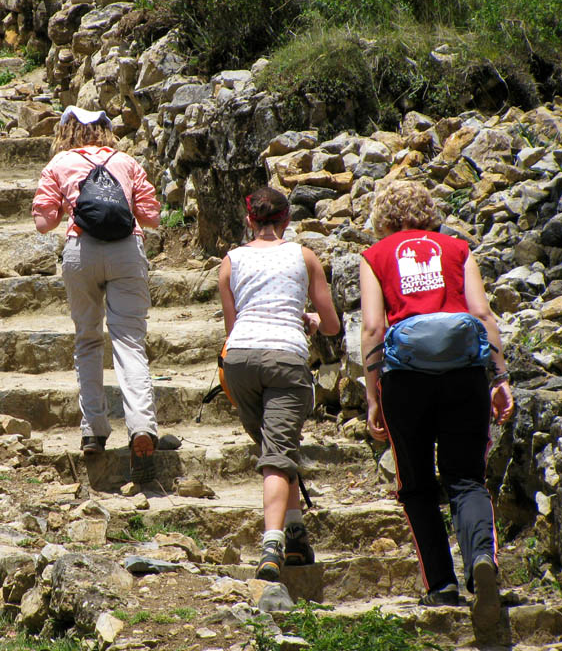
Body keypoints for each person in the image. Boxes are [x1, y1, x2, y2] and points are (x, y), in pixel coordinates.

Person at [359, 180, 514, 637]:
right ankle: (482, 557)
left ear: (385, 216)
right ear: (428, 212)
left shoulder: (376, 254)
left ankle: (442, 585)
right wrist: (500, 377)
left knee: (416, 486)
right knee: (467, 478)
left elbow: (372, 327)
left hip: (404, 380)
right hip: (464, 374)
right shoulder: (457, 248)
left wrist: (373, 394)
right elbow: (483, 315)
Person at [31, 106, 162, 482]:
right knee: (129, 343)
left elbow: (44, 224)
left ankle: (93, 430)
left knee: (88, 340)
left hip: (81, 253)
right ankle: (140, 427)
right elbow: (151, 217)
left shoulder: (59, 163)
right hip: (126, 252)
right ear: (105, 130)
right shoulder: (126, 161)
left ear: (66, 131)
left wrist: (65, 203)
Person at [217, 187, 340, 580]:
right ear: (286, 220)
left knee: (276, 450)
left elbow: (232, 327)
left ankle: (298, 535)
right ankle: (273, 544)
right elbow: (333, 324)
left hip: (239, 361)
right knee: (278, 455)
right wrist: (314, 322)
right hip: (285, 358)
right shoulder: (304, 257)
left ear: (249, 219)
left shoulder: (230, 261)